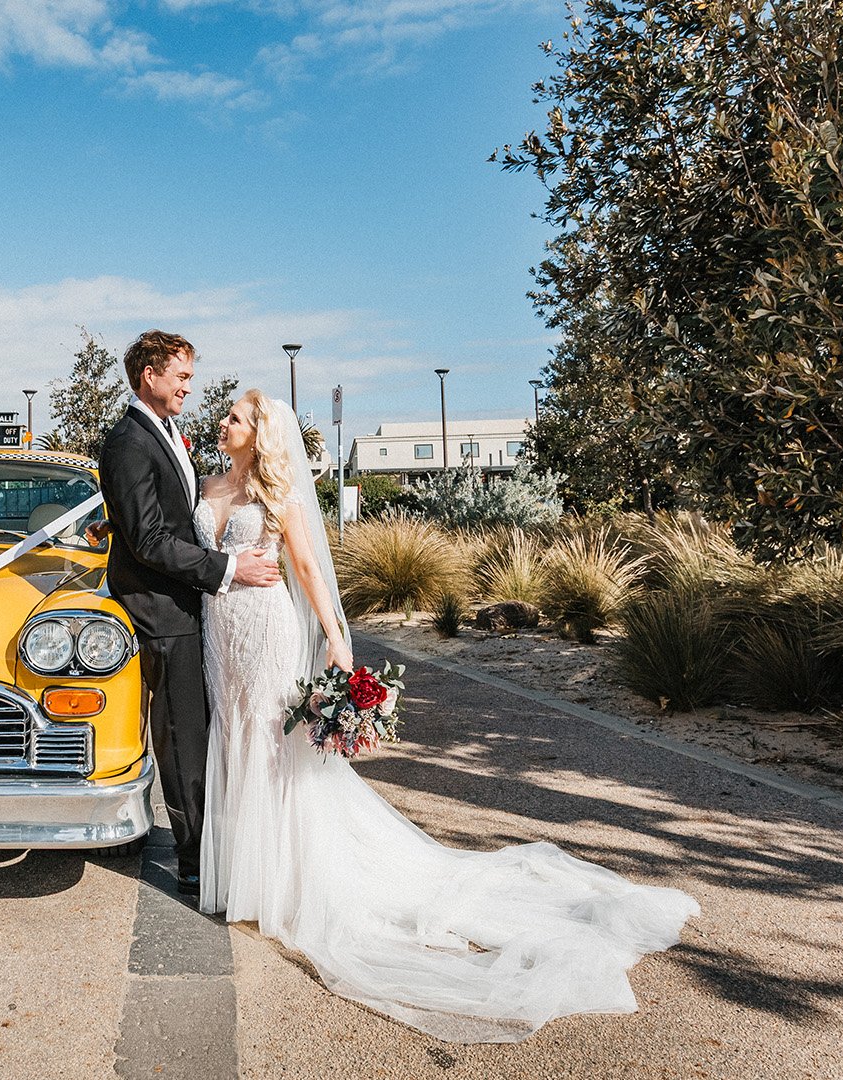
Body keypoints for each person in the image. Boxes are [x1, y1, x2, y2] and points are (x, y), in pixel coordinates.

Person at [195, 388, 700, 1043]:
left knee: (269, 746)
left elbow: (308, 570)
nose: (223, 422)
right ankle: (245, 870)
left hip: (265, 633)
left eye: (235, 416)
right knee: (233, 740)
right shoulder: (207, 482)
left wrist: (338, 638)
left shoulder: (279, 495)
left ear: (260, 433)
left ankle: (273, 884)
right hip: (220, 635)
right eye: (227, 414)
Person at [98, 331, 283, 898]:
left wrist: (118, 530)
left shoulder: (167, 433)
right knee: (181, 736)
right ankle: (194, 858)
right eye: (180, 375)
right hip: (162, 610)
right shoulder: (128, 440)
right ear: (148, 374)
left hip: (194, 605)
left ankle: (218, 841)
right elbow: (152, 540)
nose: (188, 386)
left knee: (205, 728)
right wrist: (228, 568)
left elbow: (161, 518)